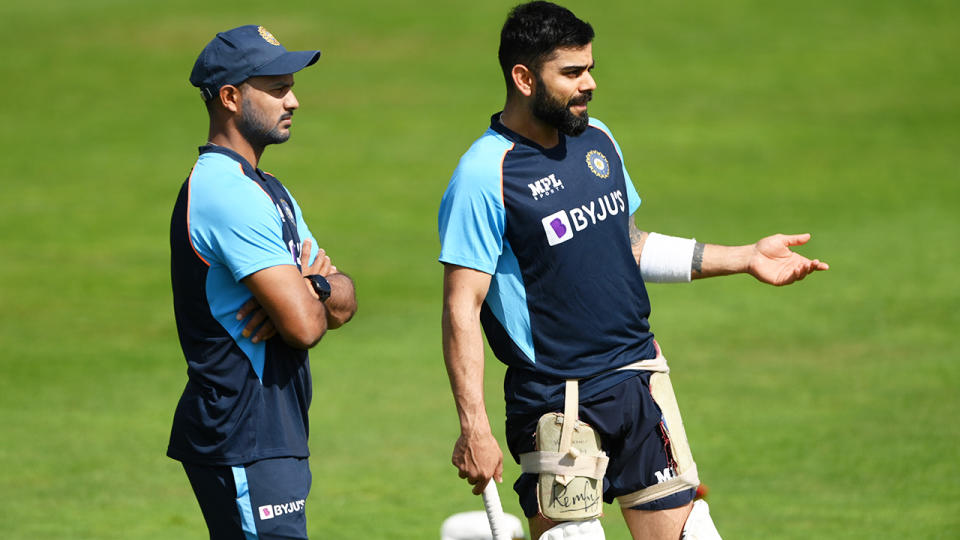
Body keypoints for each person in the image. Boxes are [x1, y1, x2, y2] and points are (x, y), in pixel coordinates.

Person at [437, 3, 828, 539]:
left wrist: (743, 257)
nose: (589, 83)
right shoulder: (484, 174)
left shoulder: (597, 140)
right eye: (571, 73)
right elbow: (463, 307)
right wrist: (473, 426)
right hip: (558, 399)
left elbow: (630, 245)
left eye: (589, 68)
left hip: (639, 379)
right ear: (524, 78)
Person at [168, 25, 357, 540]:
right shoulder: (225, 191)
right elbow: (303, 327)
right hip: (243, 430)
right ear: (230, 97)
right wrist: (306, 294)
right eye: (276, 88)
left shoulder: (268, 190)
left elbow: (341, 299)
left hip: (272, 430)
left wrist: (313, 288)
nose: (293, 100)